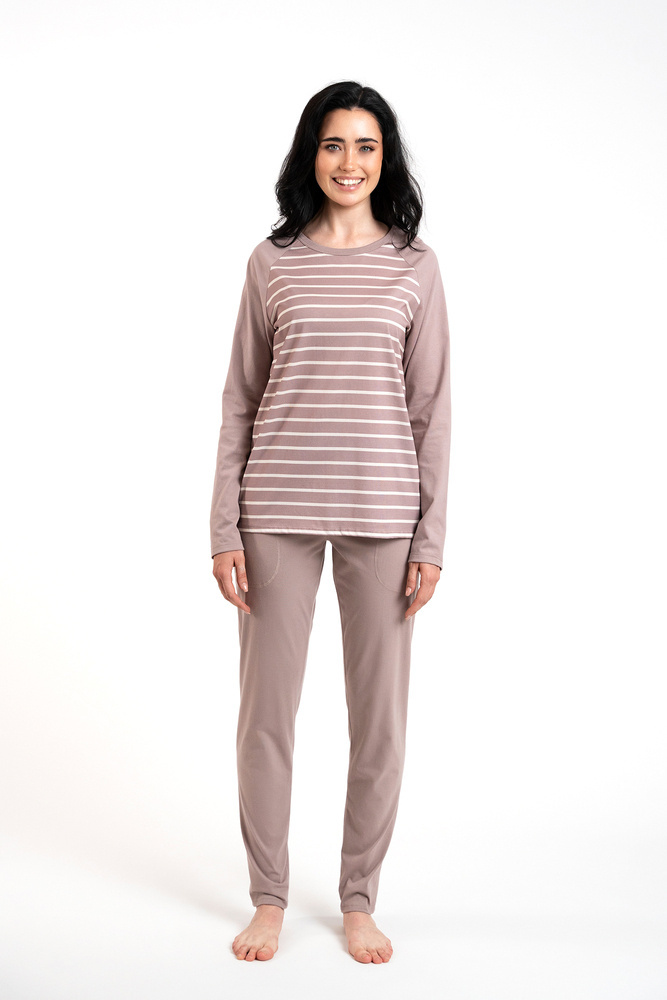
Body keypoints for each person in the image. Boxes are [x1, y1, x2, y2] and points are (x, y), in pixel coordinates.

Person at [210, 80, 452, 964]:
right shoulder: (271, 262)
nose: (349, 163)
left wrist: (430, 539)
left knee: (377, 722)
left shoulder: (414, 266)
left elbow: (431, 410)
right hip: (273, 509)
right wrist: (223, 528)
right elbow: (239, 400)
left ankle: (358, 899)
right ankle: (268, 897)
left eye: (366, 146)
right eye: (333, 144)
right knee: (264, 719)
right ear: (309, 154)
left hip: (383, 516)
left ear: (385, 160)